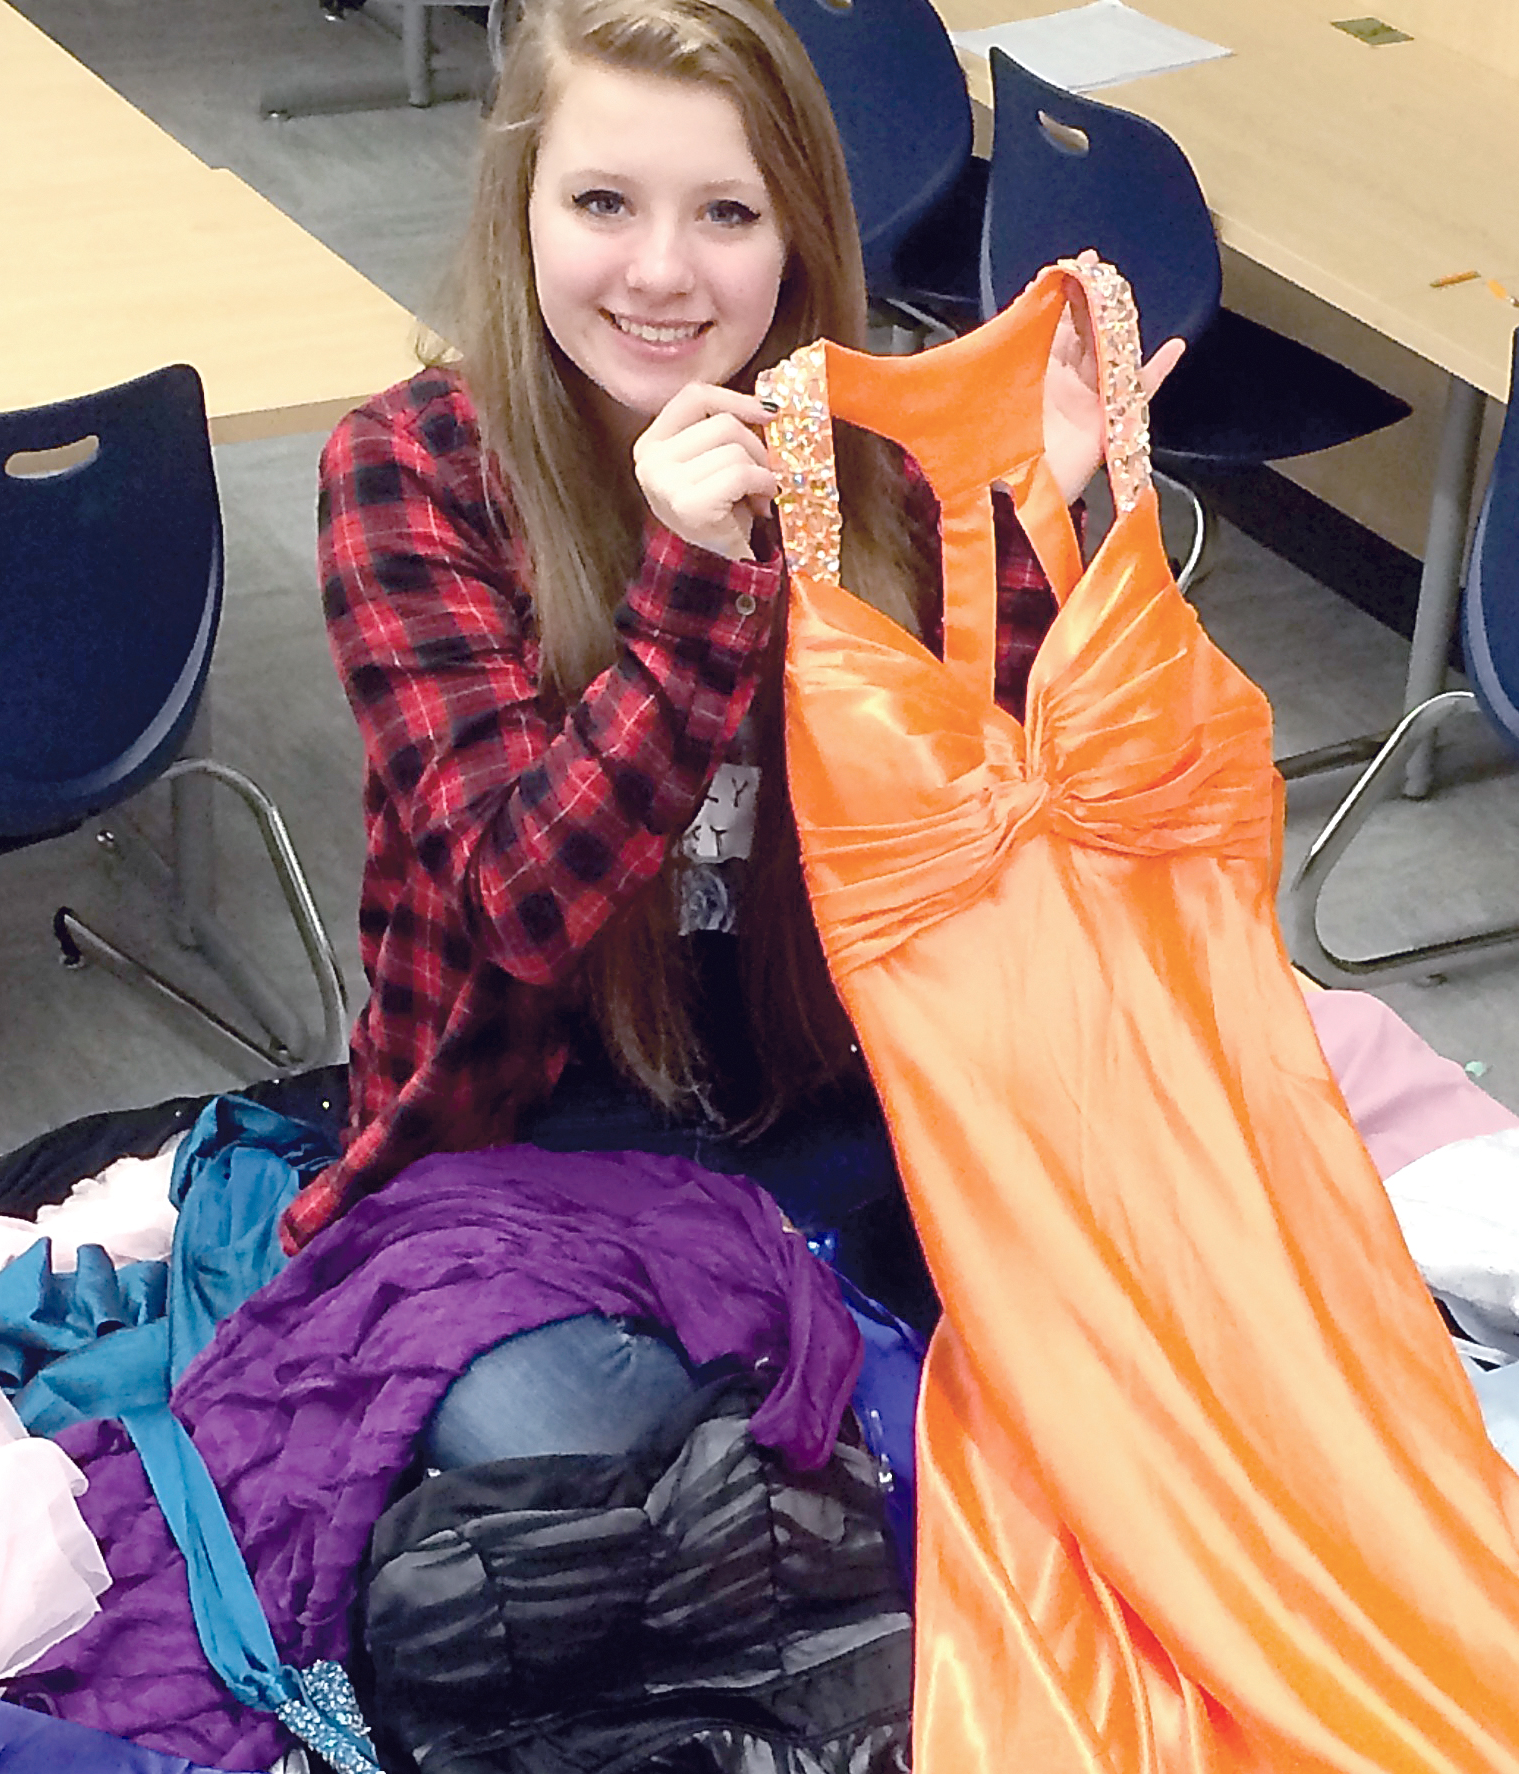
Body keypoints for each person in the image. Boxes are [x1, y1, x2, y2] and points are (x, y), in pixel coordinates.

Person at [277, 0, 1177, 1324]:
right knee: (570, 1438)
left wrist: (1028, 533)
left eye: (726, 215)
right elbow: (519, 905)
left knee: (1107, 1323)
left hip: (829, 1086)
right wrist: (691, 578)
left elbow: (1015, 862)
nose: (662, 273)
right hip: (525, 1128)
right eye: (601, 204)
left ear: (796, 235)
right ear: (520, 211)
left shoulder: (870, 454)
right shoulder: (412, 468)